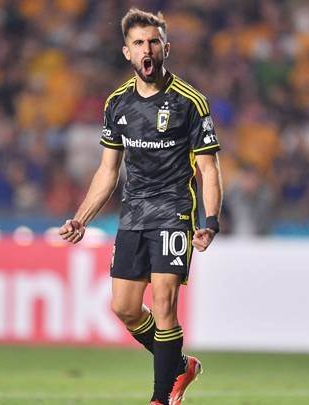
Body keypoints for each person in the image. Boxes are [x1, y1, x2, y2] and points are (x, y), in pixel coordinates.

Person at [58, 8, 222, 405]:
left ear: (166, 48)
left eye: (153, 42)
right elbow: (108, 171)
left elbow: (209, 169)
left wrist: (210, 221)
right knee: (125, 308)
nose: (146, 49)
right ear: (126, 52)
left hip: (174, 211)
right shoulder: (116, 104)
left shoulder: (190, 102)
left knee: (164, 302)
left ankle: (160, 398)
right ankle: (180, 366)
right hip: (133, 213)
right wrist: (81, 218)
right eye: (138, 43)